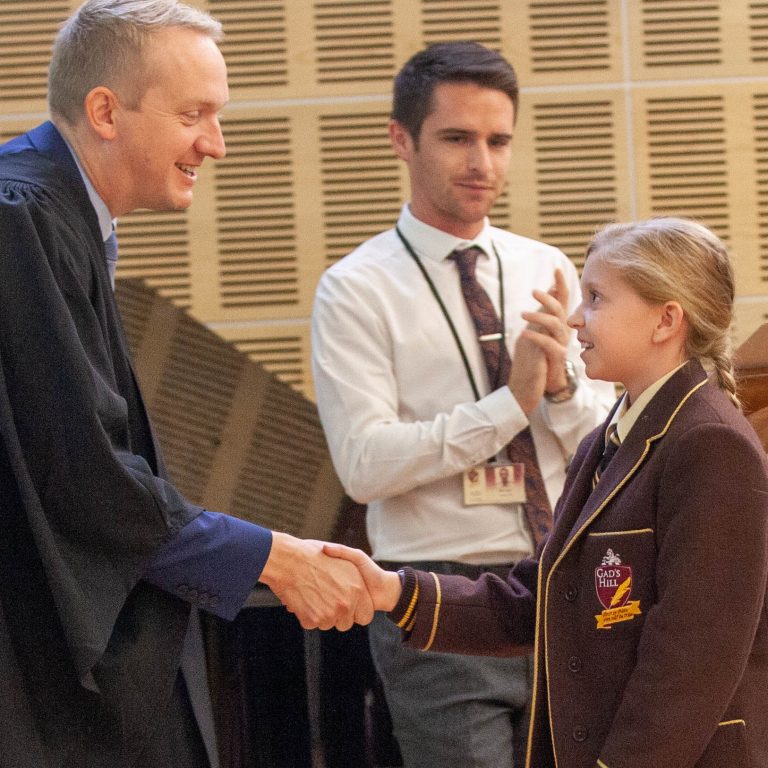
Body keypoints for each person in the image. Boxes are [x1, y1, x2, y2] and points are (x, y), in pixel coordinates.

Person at [0, 2, 374, 766]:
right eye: (194, 114)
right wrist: (269, 557)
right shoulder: (24, 219)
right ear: (105, 110)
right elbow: (82, 476)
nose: (217, 143)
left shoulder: (55, 215)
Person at [327, 217, 768, 768]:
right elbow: (536, 598)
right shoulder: (605, 439)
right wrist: (392, 590)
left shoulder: (709, 443)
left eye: (597, 298)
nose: (577, 319)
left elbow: (691, 660)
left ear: (666, 320)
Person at [311, 41, 615, 767]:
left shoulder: (548, 265)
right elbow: (364, 466)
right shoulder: (355, 289)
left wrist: (567, 392)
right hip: (439, 593)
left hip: (560, 576)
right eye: (457, 138)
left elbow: (603, 445)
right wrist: (511, 405)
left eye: (498, 140)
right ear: (401, 139)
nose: (482, 162)